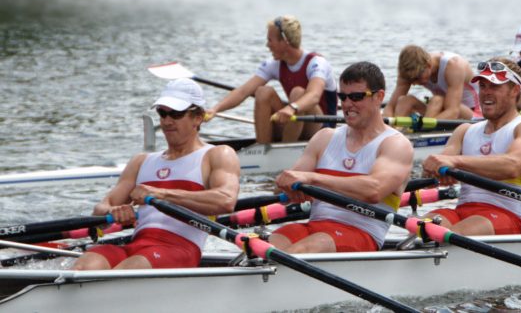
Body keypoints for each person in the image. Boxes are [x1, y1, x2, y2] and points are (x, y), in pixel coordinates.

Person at [72, 78, 241, 270]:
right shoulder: (141, 161)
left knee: (128, 269)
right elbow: (99, 212)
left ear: (198, 117)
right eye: (162, 113)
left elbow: (226, 201)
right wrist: (113, 212)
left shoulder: (217, 154)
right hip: (137, 245)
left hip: (179, 249)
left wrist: (160, 194)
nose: (167, 121)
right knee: (86, 264)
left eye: (176, 114)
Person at [270, 61, 414, 253]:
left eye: (356, 97)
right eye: (342, 97)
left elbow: (374, 190)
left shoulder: (395, 144)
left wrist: (312, 178)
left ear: (379, 96)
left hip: (361, 234)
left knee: (310, 246)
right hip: (315, 226)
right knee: (268, 244)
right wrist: (286, 184)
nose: (347, 104)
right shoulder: (324, 137)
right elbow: (283, 185)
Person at [421, 58, 521, 235]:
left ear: (514, 90)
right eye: (483, 86)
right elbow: (436, 170)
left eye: (494, 87)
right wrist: (432, 169)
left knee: (454, 235)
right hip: (461, 211)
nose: (486, 93)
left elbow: (512, 166)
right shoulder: (464, 131)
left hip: (505, 215)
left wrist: (455, 162)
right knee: (420, 227)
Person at [206, 15, 338, 143]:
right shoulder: (274, 64)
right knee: (263, 92)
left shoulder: (316, 63)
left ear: (285, 42)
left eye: (270, 40)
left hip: (321, 128)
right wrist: (215, 109)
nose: (267, 45)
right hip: (296, 122)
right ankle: (263, 149)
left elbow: (314, 96)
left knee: (298, 92)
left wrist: (291, 108)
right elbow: (243, 92)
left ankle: (285, 149)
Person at [383, 45, 481, 120]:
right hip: (439, 113)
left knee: (438, 99)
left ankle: (424, 130)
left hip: (471, 113)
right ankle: (396, 132)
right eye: (411, 80)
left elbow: (453, 112)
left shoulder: (454, 66)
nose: (414, 83)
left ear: (429, 65)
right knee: (404, 100)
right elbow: (391, 106)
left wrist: (422, 125)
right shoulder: (408, 70)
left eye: (417, 78)